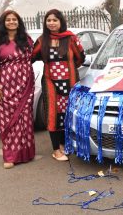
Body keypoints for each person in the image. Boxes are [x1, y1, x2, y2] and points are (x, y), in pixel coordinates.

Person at [32, 9, 85, 161]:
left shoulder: (70, 38)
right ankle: (56, 150)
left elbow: (80, 57)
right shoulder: (42, 40)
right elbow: (31, 56)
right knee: (53, 115)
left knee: (67, 114)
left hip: (70, 83)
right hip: (51, 84)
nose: (51, 23)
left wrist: (68, 69)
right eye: (49, 20)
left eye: (55, 20)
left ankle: (63, 144)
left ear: (61, 22)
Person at [0, 10, 35, 169]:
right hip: (6, 86)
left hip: (25, 83)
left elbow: (35, 57)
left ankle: (25, 154)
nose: (11, 22)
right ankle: (10, 156)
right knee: (8, 120)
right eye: (8, 20)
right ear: (3, 22)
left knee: (25, 118)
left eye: (14, 19)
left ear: (18, 22)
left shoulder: (26, 40)